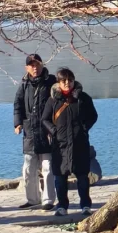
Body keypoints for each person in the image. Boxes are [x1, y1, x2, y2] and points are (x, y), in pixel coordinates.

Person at [42, 67, 99, 216]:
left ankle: (85, 205)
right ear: (59, 82)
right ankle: (62, 206)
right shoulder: (53, 100)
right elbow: (45, 119)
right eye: (64, 80)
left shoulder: (83, 98)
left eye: (70, 80)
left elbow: (93, 115)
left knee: (82, 177)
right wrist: (54, 132)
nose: (67, 83)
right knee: (60, 178)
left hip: (79, 143)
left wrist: (84, 128)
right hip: (60, 146)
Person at [14, 54, 57, 209]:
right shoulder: (24, 84)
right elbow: (17, 104)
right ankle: (32, 199)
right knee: (28, 168)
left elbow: (62, 97)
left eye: (37, 64)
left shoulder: (52, 82)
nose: (35, 68)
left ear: (42, 65)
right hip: (29, 132)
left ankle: (48, 200)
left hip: (47, 131)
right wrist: (17, 123)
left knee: (47, 167)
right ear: (27, 68)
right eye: (31, 65)